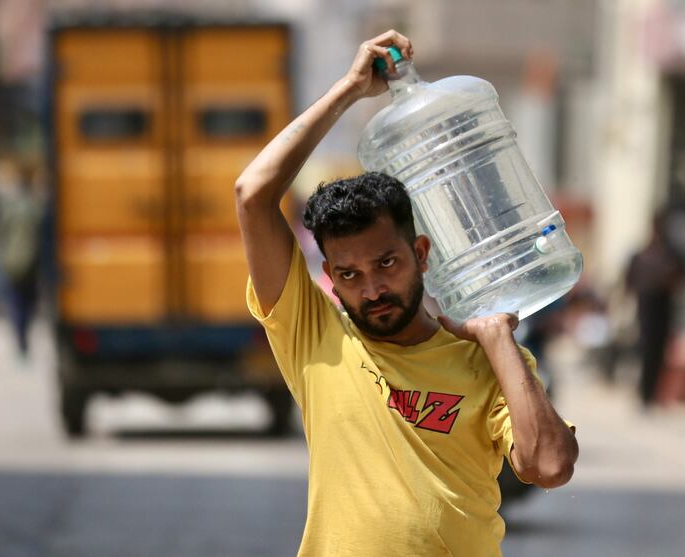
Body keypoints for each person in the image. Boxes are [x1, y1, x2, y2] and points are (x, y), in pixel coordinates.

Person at [235, 30, 578, 556]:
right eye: (348, 274)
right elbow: (252, 194)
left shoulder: (483, 360)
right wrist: (349, 90)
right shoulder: (315, 338)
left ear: (421, 252)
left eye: (386, 263)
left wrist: (499, 339)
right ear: (329, 274)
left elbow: (550, 466)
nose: (372, 288)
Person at [626, 210, 685, 406]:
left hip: (663, 308)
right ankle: (645, 393)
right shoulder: (643, 254)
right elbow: (630, 281)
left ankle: (651, 393)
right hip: (647, 308)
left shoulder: (670, 254)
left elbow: (680, 277)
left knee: (658, 352)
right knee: (646, 350)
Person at [0, 163, 43, 363]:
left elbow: (0, 235)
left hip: (13, 263)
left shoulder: (10, 209)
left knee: (17, 305)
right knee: (27, 305)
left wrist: (0, 259)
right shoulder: (35, 208)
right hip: (30, 264)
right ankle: (23, 342)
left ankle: (21, 342)